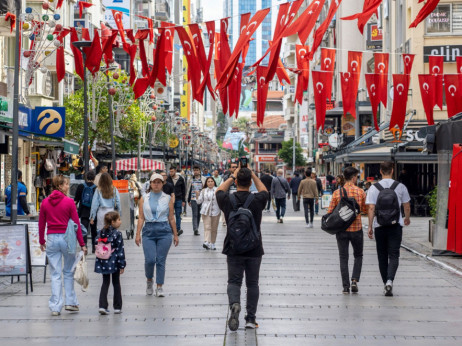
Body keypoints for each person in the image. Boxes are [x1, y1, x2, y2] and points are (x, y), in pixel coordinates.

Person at [216, 165, 268, 330]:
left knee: (234, 281)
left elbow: (219, 190)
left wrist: (232, 175)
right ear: (250, 182)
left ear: (236, 181)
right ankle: (251, 319)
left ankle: (235, 304)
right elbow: (264, 190)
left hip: (233, 246)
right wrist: (253, 174)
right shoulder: (257, 199)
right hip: (254, 247)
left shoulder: (227, 199)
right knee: (252, 283)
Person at [39, 175, 87, 316]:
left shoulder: (45, 203)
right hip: (67, 239)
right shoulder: (69, 202)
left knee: (55, 273)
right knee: (68, 271)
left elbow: (42, 224)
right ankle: (70, 302)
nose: (68, 187)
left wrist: (42, 241)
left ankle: (55, 306)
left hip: (52, 238)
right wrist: (82, 244)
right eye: (66, 184)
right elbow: (76, 224)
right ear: (59, 185)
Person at [366, 161, 411, 297]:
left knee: (382, 256)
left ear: (380, 171)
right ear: (392, 170)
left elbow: (371, 208)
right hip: (395, 225)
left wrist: (369, 226)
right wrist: (406, 218)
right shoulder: (400, 186)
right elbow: (406, 205)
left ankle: (385, 282)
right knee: (394, 254)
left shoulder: (374, 188)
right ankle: (390, 280)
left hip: (379, 226)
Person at [135, 173, 179, 297]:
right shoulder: (144, 198)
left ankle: (159, 286)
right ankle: (149, 280)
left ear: (162, 184)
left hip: (164, 230)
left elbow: (171, 218)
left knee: (160, 260)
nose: (156, 184)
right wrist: (137, 233)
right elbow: (141, 218)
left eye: (159, 182)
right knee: (149, 259)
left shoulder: (167, 198)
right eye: (154, 182)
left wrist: (175, 234)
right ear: (150, 183)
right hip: (149, 230)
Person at [327, 167, 367, 294]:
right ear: (354, 177)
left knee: (343, 257)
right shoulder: (360, 192)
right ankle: (354, 280)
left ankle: (345, 286)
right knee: (358, 255)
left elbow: (330, 212)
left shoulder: (337, 193)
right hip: (357, 229)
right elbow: (365, 209)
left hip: (341, 230)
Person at [95, 211, 126, 315]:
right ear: (113, 222)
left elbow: (96, 242)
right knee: (116, 283)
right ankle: (117, 307)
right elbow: (120, 250)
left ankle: (102, 306)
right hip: (114, 261)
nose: (120, 222)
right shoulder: (117, 234)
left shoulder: (101, 232)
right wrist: (122, 264)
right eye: (118, 220)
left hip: (103, 260)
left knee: (105, 282)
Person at [74, 170, 97, 253]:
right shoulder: (96, 188)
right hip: (93, 213)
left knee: (84, 230)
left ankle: (84, 246)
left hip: (83, 211)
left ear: (86, 177)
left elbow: (76, 200)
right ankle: (94, 247)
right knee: (94, 231)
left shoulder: (81, 186)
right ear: (94, 178)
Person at [197, 177, 221, 250]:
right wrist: (197, 195)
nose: (210, 183)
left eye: (211, 181)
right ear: (206, 183)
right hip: (205, 211)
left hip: (216, 211)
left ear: (214, 182)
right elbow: (199, 202)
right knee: (207, 227)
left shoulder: (218, 190)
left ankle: (212, 243)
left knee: (214, 228)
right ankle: (206, 241)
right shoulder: (203, 191)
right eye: (208, 181)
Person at [187, 165, 207, 235]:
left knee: (199, 214)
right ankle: (195, 229)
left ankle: (197, 227)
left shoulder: (203, 179)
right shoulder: (191, 180)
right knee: (194, 214)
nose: (195, 172)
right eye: (194, 170)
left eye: (197, 170)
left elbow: (205, 189)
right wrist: (188, 200)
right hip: (193, 199)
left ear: (199, 171)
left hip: (201, 199)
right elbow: (189, 190)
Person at [166, 166, 186, 236]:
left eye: (172, 171)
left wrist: (183, 200)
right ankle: (170, 228)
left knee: (178, 214)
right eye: (170, 171)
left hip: (178, 198)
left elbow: (183, 190)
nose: (170, 173)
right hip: (170, 199)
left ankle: (177, 229)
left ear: (175, 171)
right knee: (170, 215)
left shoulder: (180, 179)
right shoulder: (168, 179)